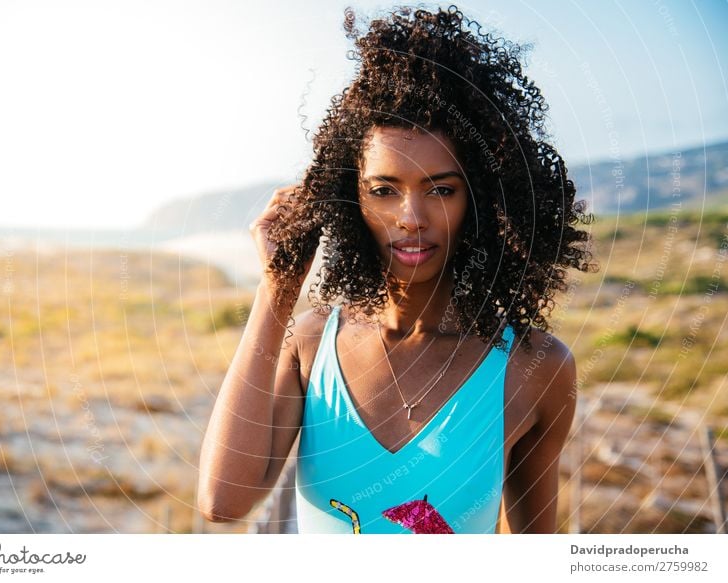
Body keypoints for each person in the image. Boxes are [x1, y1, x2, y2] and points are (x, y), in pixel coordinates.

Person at [198, 5, 596, 534]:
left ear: (481, 200)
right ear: (350, 201)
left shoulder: (535, 368)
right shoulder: (312, 343)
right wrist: (277, 289)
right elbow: (223, 500)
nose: (411, 219)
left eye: (441, 190)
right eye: (383, 191)